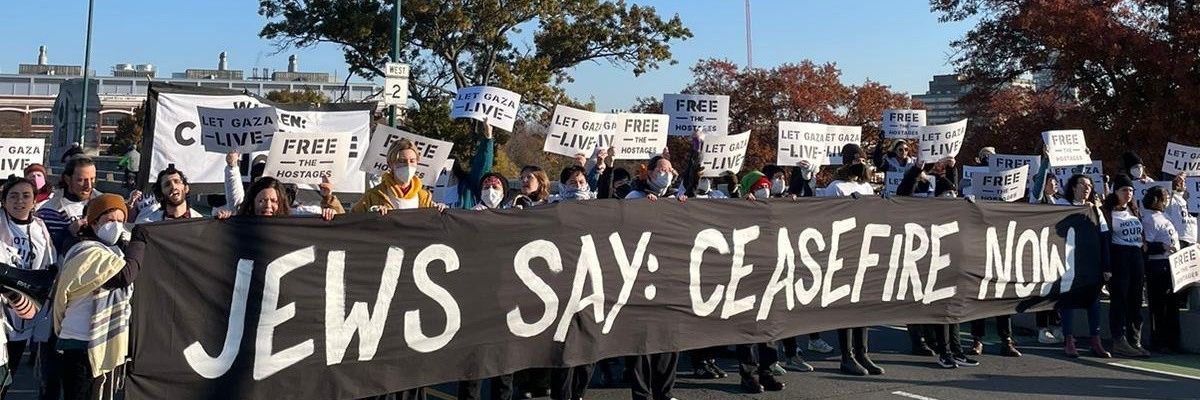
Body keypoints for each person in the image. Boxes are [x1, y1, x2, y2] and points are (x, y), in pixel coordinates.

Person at [52, 193, 144, 400]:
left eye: (121, 221)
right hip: (80, 342)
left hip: (101, 340)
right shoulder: (84, 250)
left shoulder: (115, 252)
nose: (116, 226)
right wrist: (139, 241)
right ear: (93, 223)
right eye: (110, 220)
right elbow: (124, 275)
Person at [0, 177, 55, 393]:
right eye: (13, 196)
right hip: (1, 312)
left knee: (10, 372)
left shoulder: (40, 228)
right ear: (3, 201)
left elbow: (48, 266)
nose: (20, 201)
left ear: (34, 201)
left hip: (24, 310)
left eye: (26, 196)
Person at [1058, 174, 1111, 358]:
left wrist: (1106, 266)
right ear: (1073, 187)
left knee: (1093, 302)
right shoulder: (1061, 206)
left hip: (1090, 263)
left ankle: (1095, 341)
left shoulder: (1095, 210)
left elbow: (1104, 237)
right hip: (1067, 262)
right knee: (1068, 300)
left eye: (1089, 185)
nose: (1087, 188)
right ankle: (1069, 340)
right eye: (1082, 184)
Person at [1102, 175, 1151, 358]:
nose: (1128, 193)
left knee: (1136, 299)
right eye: (1124, 190)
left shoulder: (1133, 210)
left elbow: (1141, 232)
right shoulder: (1107, 212)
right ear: (1116, 192)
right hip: (1119, 255)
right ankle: (1119, 339)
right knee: (1120, 298)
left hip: (1136, 255)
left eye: (1130, 190)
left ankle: (1134, 339)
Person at [1142, 186, 1184, 353]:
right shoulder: (1149, 219)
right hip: (1157, 265)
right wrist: (1162, 247)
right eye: (1164, 197)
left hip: (1171, 264)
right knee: (1158, 305)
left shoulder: (1164, 216)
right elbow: (1146, 246)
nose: (1166, 201)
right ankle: (1159, 341)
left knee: (1172, 304)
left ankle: (1173, 341)